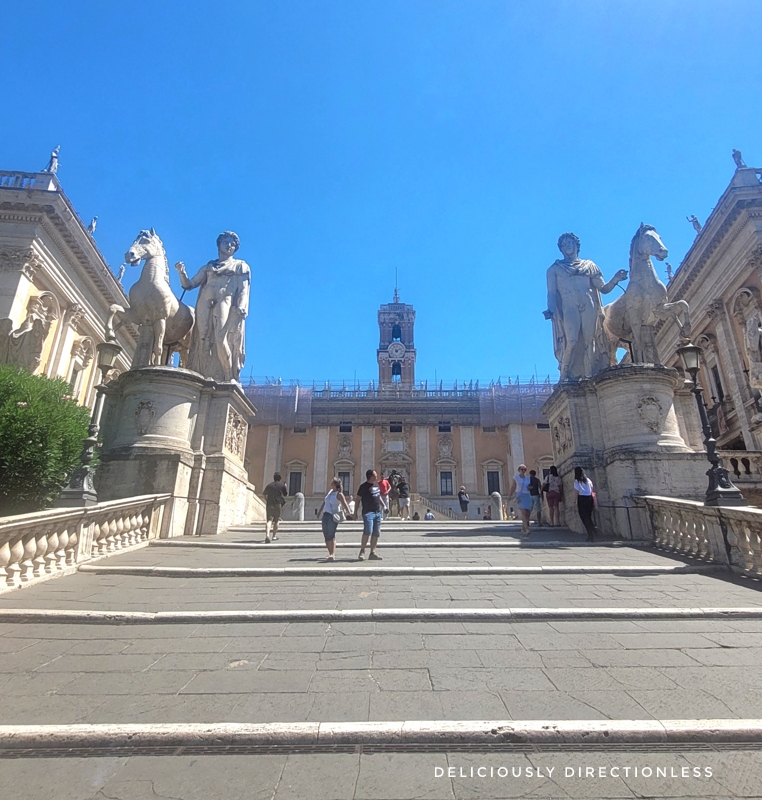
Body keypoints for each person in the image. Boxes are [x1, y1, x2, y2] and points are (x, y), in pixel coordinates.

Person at [543, 232, 627, 381]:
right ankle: (564, 375)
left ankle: (589, 375)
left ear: (577, 246)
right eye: (564, 245)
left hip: (589, 305)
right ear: (561, 249)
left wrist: (615, 279)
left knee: (590, 341)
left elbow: (603, 288)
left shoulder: (589, 266)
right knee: (572, 341)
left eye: (570, 243)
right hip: (569, 307)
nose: (567, 246)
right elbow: (551, 293)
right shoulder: (554, 269)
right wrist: (550, 309)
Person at [175, 231, 250, 382]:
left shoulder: (240, 266)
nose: (230, 245)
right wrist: (181, 273)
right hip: (204, 302)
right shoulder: (209, 267)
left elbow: (243, 290)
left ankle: (228, 376)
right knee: (201, 339)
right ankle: (200, 374)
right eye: (226, 242)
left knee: (221, 338)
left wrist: (241, 307)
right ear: (219, 245)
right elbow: (189, 285)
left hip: (225, 301)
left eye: (233, 244)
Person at [316, 477, 352, 562]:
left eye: (332, 483)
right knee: (326, 534)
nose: (330, 484)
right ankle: (330, 552)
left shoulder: (339, 494)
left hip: (334, 515)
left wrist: (350, 513)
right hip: (326, 514)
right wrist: (320, 511)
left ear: (335, 484)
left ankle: (332, 554)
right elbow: (325, 502)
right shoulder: (330, 492)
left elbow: (344, 504)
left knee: (331, 534)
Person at [355, 469, 383, 560]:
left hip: (377, 512)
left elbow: (378, 496)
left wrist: (384, 505)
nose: (377, 476)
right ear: (371, 476)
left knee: (376, 533)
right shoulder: (363, 487)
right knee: (368, 531)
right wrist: (355, 512)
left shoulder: (376, 485)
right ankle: (362, 550)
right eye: (375, 475)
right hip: (368, 512)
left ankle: (372, 552)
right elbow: (358, 499)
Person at [573, 466, 598, 542]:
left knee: (584, 517)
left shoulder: (577, 481)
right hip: (589, 498)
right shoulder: (588, 480)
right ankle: (593, 529)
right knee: (589, 516)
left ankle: (591, 533)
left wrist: (575, 502)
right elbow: (592, 491)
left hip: (582, 499)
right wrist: (595, 502)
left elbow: (576, 493)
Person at [263, 472, 288, 543]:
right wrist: (285, 486)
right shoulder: (281, 486)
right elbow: (285, 494)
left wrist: (267, 500)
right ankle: (274, 536)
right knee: (276, 520)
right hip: (278, 504)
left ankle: (267, 535)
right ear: (280, 479)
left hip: (270, 504)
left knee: (269, 520)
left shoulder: (269, 485)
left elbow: (264, 495)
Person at [509, 464, 533, 535]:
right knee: (523, 512)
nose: (523, 471)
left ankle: (523, 528)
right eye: (522, 469)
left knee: (528, 513)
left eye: (525, 469)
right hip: (519, 495)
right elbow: (513, 487)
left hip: (527, 495)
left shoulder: (528, 478)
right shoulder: (516, 478)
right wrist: (510, 496)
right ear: (519, 470)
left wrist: (530, 488)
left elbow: (530, 486)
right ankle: (527, 529)